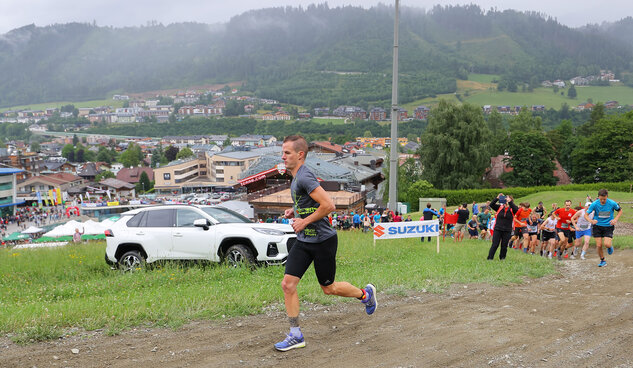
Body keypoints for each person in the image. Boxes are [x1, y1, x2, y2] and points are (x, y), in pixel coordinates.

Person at [275, 135, 376, 351]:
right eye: (283, 152)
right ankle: (295, 334)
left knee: (328, 288)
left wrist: (303, 221)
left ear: (300, 155)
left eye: (287, 153)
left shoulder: (304, 177)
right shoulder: (296, 176)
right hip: (304, 240)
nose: (282, 156)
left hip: (322, 242)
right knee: (288, 284)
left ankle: (365, 295)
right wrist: (295, 210)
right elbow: (310, 201)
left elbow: (329, 205)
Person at [584, 189, 623, 267]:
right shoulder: (594, 204)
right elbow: (586, 215)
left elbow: (620, 211)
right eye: (601, 199)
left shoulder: (612, 203)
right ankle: (602, 260)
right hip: (597, 226)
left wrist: (615, 219)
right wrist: (591, 221)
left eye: (604, 199)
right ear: (598, 197)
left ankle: (609, 247)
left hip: (608, 226)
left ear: (607, 197)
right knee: (599, 245)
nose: (602, 201)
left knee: (607, 244)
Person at [487, 194, 518, 260]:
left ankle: (502, 258)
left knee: (504, 245)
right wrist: (497, 198)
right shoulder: (499, 207)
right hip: (498, 229)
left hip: (507, 230)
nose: (506, 200)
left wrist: (510, 202)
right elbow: (491, 205)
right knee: (495, 244)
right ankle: (490, 258)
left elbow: (516, 209)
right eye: (505, 199)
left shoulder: (513, 209)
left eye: (508, 199)